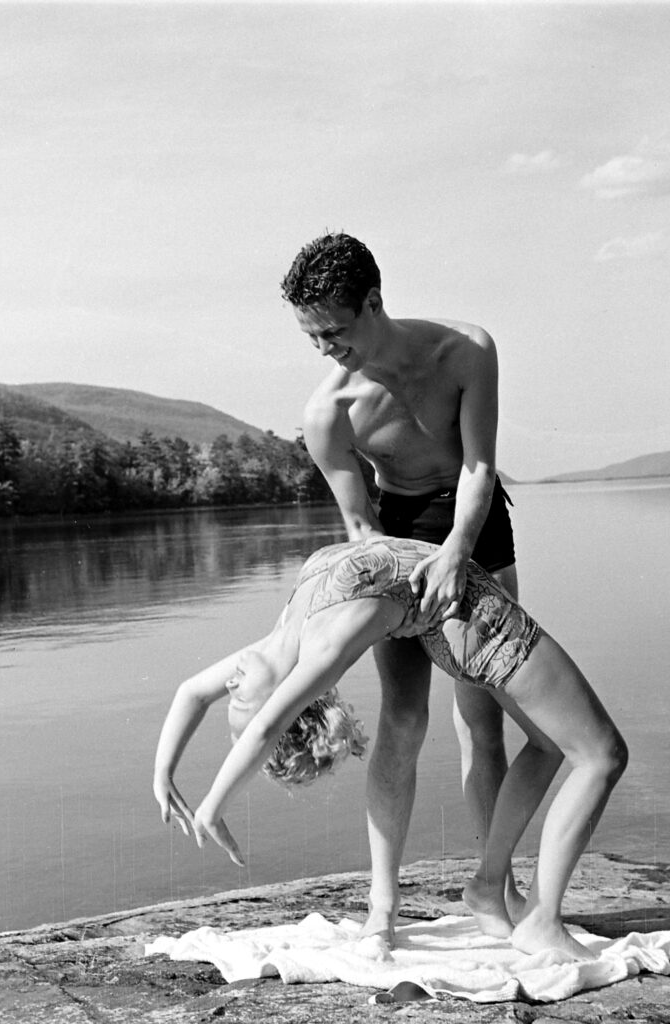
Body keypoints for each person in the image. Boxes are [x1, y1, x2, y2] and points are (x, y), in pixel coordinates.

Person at [153, 536, 627, 960]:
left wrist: (164, 774)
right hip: (470, 618)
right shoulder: (322, 653)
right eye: (238, 695)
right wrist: (212, 807)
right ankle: (541, 922)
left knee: (548, 745)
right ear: (286, 704)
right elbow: (259, 734)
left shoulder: (277, 641)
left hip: (449, 605)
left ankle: (488, 884)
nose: (232, 680)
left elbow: (190, 692)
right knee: (602, 754)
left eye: (232, 692)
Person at [280, 232, 525, 943]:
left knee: (483, 718)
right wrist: (396, 588)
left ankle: (496, 890)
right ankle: (382, 907)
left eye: (334, 329)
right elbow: (360, 526)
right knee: (405, 718)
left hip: (478, 525)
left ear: (375, 301)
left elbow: (480, 465)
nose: (325, 347)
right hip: (394, 535)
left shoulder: (467, 349)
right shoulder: (329, 413)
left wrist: (457, 553)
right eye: (311, 335)